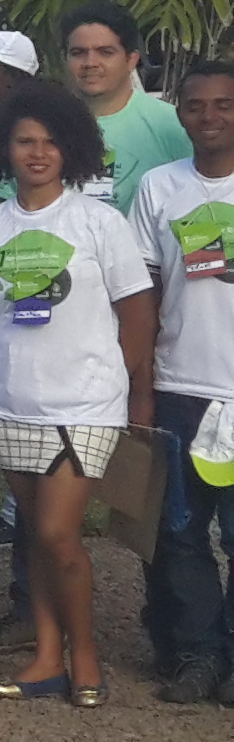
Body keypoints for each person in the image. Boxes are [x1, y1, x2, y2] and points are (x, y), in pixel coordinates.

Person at [0, 83, 153, 705]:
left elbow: (137, 313)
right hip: (11, 397)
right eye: (25, 141)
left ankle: (88, 653)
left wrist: (122, 387)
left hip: (86, 403)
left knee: (56, 533)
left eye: (50, 141)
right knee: (33, 531)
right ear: (5, 149)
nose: (38, 152)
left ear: (71, 148)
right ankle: (48, 655)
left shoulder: (100, 221)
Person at [133, 58, 234, 705]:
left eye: (223, 105)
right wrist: (140, 386)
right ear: (179, 111)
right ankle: (198, 654)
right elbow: (142, 294)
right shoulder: (158, 187)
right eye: (196, 106)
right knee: (179, 533)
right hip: (179, 387)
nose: (209, 118)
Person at [56, 1, 193, 207]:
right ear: (64, 59)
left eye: (106, 52)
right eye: (78, 53)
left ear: (131, 59)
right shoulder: (44, 123)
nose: (90, 63)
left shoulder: (171, 124)